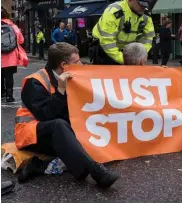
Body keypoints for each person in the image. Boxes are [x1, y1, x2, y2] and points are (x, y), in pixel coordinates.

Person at [15, 42, 119, 188]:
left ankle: (40, 166)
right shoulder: (35, 82)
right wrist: (61, 91)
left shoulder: (73, 77)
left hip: (59, 131)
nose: (81, 64)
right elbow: (47, 115)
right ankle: (97, 172)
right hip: (32, 134)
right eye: (77, 62)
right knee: (59, 125)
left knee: (86, 135)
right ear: (64, 65)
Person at [91, 0, 155, 65]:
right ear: (130, 0)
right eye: (141, 4)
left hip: (126, 51)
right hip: (105, 51)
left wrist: (139, 56)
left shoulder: (145, 15)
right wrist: (124, 60)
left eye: (145, 4)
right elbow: (107, 41)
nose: (143, 7)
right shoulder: (114, 12)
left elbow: (148, 38)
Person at [1, 7, 28, 102]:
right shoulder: (13, 26)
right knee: (9, 76)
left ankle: (1, 93)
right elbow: (21, 40)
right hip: (10, 55)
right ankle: (9, 96)